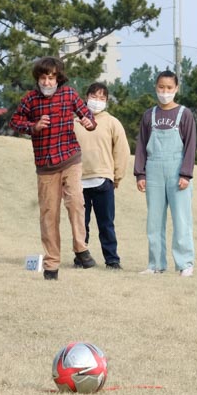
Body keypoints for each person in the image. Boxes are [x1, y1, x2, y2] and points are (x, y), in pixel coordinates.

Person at [10, 56, 97, 280]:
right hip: (46, 166)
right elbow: (15, 122)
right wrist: (34, 126)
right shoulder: (30, 100)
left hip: (70, 158)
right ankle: (51, 265)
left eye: (51, 78)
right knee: (49, 215)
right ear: (38, 79)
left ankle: (80, 247)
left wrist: (89, 123)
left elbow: (86, 115)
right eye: (43, 78)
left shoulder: (68, 94)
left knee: (76, 201)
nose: (47, 82)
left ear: (58, 78)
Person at [135, 70, 197, 277]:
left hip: (177, 168)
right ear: (155, 87)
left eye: (169, 88)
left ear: (176, 89)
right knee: (154, 220)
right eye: (161, 87)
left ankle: (185, 263)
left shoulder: (184, 114)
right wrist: (140, 174)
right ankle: (156, 264)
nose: (165, 92)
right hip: (153, 169)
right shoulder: (149, 115)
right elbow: (141, 145)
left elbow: (190, 145)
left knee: (181, 219)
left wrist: (186, 174)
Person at [72, 82, 131, 269]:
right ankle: (80, 258)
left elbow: (122, 151)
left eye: (102, 98)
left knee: (106, 223)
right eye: (94, 97)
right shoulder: (74, 121)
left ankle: (112, 260)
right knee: (81, 224)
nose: (97, 101)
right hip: (78, 180)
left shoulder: (112, 122)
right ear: (86, 97)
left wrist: (117, 176)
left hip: (103, 179)